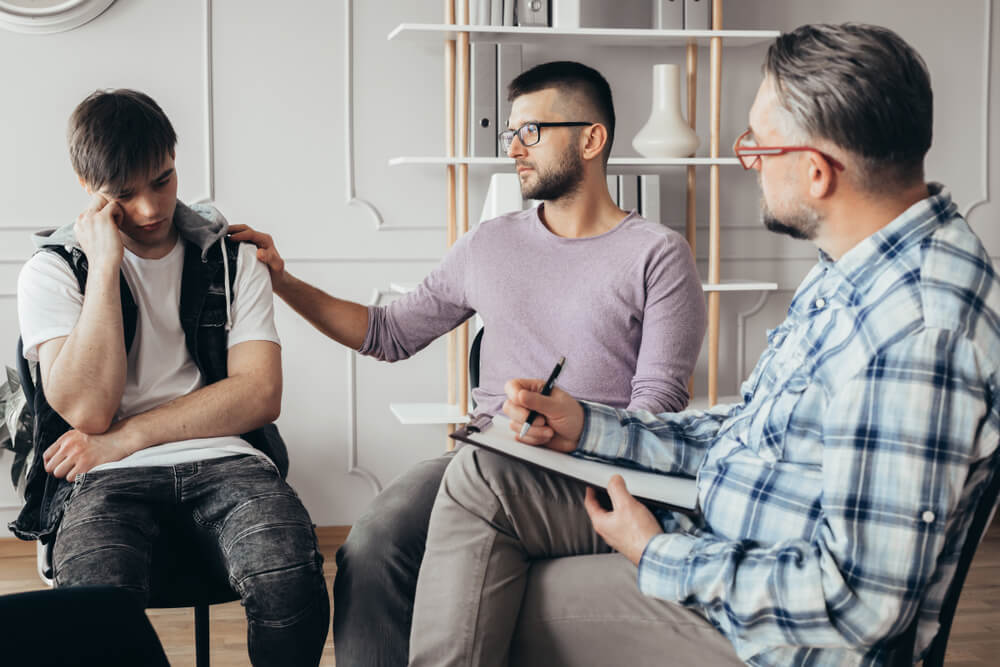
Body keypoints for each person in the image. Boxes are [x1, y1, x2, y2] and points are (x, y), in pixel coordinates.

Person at [410, 23, 1000, 667]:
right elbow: (751, 430)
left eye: (758, 145)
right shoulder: (854, 268)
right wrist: (590, 427)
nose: (747, 162)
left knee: (487, 603)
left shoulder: (917, 333)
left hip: (769, 639)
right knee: (480, 484)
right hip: (724, 535)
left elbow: (856, 603)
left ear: (815, 171)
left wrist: (656, 553)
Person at [230, 60, 707, 665]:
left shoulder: (658, 255)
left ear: (591, 138)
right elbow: (387, 333)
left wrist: (576, 424)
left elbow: (658, 408)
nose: (514, 149)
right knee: (371, 542)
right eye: (510, 133)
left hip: (595, 473)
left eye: (531, 132)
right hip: (486, 459)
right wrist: (283, 280)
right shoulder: (490, 244)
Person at [11, 89, 329, 666]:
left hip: (225, 459)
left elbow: (260, 393)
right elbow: (87, 412)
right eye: (124, 195)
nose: (151, 209)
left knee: (289, 574)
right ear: (89, 189)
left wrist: (128, 437)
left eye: (162, 180)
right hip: (99, 476)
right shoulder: (53, 271)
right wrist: (106, 266)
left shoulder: (231, 257)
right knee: (95, 604)